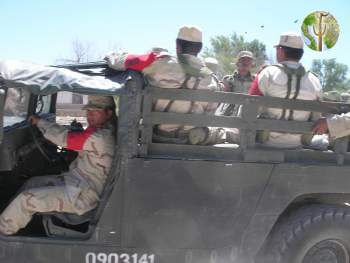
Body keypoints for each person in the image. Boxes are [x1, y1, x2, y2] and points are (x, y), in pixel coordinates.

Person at [0, 95, 116, 235]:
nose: (89, 115)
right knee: (33, 183)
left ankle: (3, 233)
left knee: (26, 199)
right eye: (88, 110)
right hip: (79, 184)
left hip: (83, 196)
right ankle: (11, 218)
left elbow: (65, 139)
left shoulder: (100, 137)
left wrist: (40, 123)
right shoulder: (102, 131)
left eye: (95, 111)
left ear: (108, 113)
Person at [105, 25, 224, 145]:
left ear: (177, 46)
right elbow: (209, 116)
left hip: (155, 136)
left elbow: (122, 61)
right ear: (200, 48)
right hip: (190, 141)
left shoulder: (162, 64)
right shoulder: (211, 79)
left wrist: (111, 56)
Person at [248, 32, 322, 148]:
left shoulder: (267, 73)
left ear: (281, 51)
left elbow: (249, 108)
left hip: (266, 142)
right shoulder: (315, 80)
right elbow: (316, 116)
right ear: (300, 53)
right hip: (298, 144)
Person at [218, 51, 255, 117]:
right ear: (237, 64)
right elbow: (221, 99)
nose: (245, 64)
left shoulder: (255, 81)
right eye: (243, 61)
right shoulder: (227, 79)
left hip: (248, 116)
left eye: (248, 62)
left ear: (252, 65)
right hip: (228, 115)